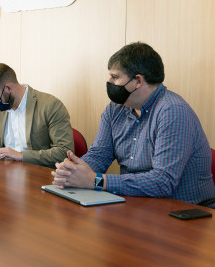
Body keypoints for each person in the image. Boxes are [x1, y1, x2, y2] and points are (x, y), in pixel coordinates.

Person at [51, 42, 215, 205]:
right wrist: (72, 171)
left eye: (115, 77)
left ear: (137, 81)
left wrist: (96, 181)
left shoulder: (172, 112)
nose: (109, 82)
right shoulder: (115, 109)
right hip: (137, 204)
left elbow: (163, 182)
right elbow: (99, 155)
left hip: (185, 212)